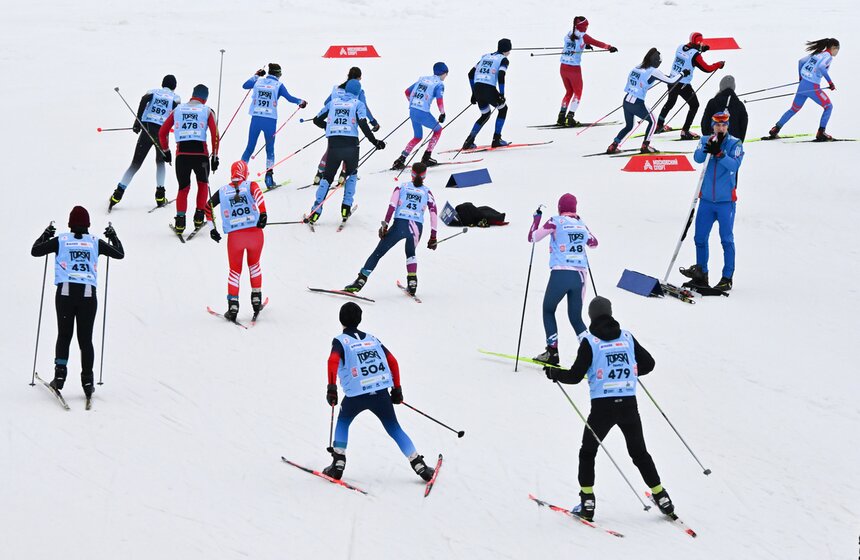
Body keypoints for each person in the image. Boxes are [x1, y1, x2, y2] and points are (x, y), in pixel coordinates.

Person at [544, 296, 675, 522]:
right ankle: (662, 497)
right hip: (628, 405)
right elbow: (649, 364)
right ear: (610, 312)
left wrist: (554, 373)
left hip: (602, 408)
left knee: (588, 452)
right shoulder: (626, 337)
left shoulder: (590, 341)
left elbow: (575, 376)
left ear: (591, 316)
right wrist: (630, 370)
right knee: (639, 453)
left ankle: (587, 503)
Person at [322, 302, 435, 482]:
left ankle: (337, 464)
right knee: (394, 427)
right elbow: (393, 361)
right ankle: (420, 466)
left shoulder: (340, 341)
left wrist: (331, 388)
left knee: (343, 421)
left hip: (356, 395)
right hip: (380, 392)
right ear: (360, 319)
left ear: (340, 319)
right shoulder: (373, 339)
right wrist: (397, 389)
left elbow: (332, 361)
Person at [30, 206, 125, 399]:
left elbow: (35, 251)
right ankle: (88, 382)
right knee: (85, 339)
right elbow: (119, 253)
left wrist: (46, 234)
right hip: (88, 295)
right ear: (88, 224)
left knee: (64, 335)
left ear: (70, 223)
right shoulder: (94, 242)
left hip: (65, 293)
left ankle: (59, 377)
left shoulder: (62, 240)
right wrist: (113, 236)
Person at [344, 162, 438, 296]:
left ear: (411, 174)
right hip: (417, 227)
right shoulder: (427, 192)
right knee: (411, 253)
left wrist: (385, 225)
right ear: (424, 176)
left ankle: (360, 281)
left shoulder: (402, 187)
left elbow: (392, 206)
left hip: (400, 224)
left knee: (378, 252)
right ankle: (412, 283)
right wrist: (433, 236)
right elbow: (433, 213)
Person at [528, 194, 598, 366]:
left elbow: (533, 237)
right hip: (580, 276)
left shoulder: (555, 221)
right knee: (575, 317)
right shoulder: (581, 224)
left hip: (561, 273)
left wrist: (536, 220)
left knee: (548, 309)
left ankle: (552, 352)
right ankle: (592, 355)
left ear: (560, 207)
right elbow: (594, 243)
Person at [680, 111, 744, 291]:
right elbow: (698, 158)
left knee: (726, 239)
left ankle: (726, 278)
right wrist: (706, 147)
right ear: (712, 125)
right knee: (699, 238)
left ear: (728, 125)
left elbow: (735, 165)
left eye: (724, 125)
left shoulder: (735, 143)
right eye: (717, 125)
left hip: (725, 202)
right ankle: (702, 274)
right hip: (706, 201)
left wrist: (720, 154)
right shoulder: (705, 139)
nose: (721, 128)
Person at [307, 79, 385, 225]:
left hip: (334, 145)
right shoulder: (358, 104)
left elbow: (316, 120)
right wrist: (375, 142)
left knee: (327, 178)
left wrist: (328, 126)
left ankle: (315, 212)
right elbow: (363, 124)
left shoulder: (333, 102)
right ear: (357, 92)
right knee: (351, 176)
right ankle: (345, 208)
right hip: (351, 147)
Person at [206, 161, 267, 321]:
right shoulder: (250, 185)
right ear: (245, 173)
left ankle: (233, 306)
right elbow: (259, 195)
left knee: (234, 272)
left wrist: (213, 228)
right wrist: (263, 214)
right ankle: (256, 300)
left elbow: (207, 206)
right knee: (254, 266)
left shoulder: (223, 190)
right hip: (255, 234)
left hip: (235, 238)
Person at [109, 75, 180, 210]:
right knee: (160, 162)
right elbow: (176, 112)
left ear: (162, 84)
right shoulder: (176, 98)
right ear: (174, 86)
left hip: (147, 129)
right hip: (162, 133)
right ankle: (160, 196)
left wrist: (138, 122)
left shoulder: (153, 91)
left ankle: (117, 194)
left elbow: (143, 101)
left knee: (135, 163)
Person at [159, 84, 220, 234]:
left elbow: (162, 132)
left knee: (183, 188)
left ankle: (180, 222)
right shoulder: (207, 111)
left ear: (193, 94)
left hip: (182, 155)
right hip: (201, 155)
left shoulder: (178, 109)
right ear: (205, 98)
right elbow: (215, 135)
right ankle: (199, 216)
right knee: (203, 185)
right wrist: (215, 157)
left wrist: (166, 151)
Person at [607, 48, 686, 154]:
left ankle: (613, 145)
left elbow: (643, 80)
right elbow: (671, 81)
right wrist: (682, 74)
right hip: (637, 103)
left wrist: (657, 79)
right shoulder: (654, 71)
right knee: (653, 121)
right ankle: (646, 145)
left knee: (629, 126)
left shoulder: (638, 67)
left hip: (627, 101)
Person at [240, 63, 307, 188]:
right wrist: (301, 102)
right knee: (270, 150)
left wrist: (256, 75)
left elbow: (245, 86)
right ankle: (269, 179)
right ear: (278, 74)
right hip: (270, 121)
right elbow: (290, 98)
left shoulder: (258, 82)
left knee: (249, 148)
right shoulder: (278, 85)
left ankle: (239, 175)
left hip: (256, 118)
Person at [313, 67, 379, 186]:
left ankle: (320, 172)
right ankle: (343, 174)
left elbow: (326, 104)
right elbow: (364, 107)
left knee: (331, 150)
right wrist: (373, 122)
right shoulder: (358, 91)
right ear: (359, 78)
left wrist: (327, 124)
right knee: (348, 150)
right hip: (349, 127)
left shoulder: (337, 88)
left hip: (333, 125)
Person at [655, 32, 725, 139]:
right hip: (683, 84)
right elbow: (706, 68)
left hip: (672, 79)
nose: (701, 44)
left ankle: (659, 125)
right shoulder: (695, 55)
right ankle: (685, 131)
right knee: (694, 105)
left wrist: (701, 49)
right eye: (700, 43)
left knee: (670, 102)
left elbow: (689, 54)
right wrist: (718, 64)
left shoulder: (680, 47)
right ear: (697, 42)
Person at [768, 38, 840, 141]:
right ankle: (821, 132)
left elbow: (801, 62)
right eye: (837, 49)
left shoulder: (817, 53)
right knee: (828, 106)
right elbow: (821, 67)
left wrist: (801, 78)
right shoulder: (828, 57)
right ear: (833, 48)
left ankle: (776, 129)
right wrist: (830, 83)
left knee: (794, 109)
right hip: (813, 87)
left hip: (803, 85)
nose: (837, 52)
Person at [557, 16, 617, 127]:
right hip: (573, 69)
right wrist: (609, 47)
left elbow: (575, 42)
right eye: (586, 26)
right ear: (583, 27)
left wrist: (585, 44)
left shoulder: (570, 33)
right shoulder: (584, 36)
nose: (587, 28)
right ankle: (570, 118)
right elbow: (597, 43)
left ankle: (561, 117)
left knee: (569, 92)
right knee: (578, 92)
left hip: (563, 67)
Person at [391, 63, 448, 170]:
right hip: (423, 112)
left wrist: (413, 104)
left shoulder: (423, 79)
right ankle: (427, 157)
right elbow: (439, 100)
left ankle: (401, 159)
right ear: (444, 73)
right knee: (438, 130)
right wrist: (442, 113)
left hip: (412, 111)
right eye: (446, 74)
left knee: (417, 136)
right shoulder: (439, 84)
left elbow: (407, 92)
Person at [463, 38, 512, 150]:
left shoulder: (485, 57)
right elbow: (500, 75)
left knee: (485, 115)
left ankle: (469, 141)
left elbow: (471, 74)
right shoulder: (503, 60)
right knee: (503, 109)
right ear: (507, 50)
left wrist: (473, 93)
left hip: (478, 88)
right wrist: (502, 94)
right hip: (488, 88)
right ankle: (497, 139)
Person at [700, 75, 748, 141]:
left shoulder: (713, 102)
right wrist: (738, 142)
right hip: (733, 144)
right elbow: (743, 126)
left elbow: (705, 123)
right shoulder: (740, 105)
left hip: (713, 144)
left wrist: (708, 138)